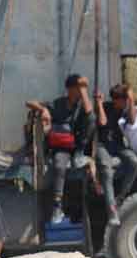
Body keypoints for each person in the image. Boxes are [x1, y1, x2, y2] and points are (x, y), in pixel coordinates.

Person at [26, 74, 96, 224]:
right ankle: (57, 206)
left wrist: (84, 90)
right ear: (70, 89)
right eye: (78, 88)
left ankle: (79, 154)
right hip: (62, 146)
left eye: (82, 88)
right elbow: (29, 102)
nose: (81, 91)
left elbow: (90, 115)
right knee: (59, 166)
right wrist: (43, 110)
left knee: (91, 119)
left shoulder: (82, 105)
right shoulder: (58, 104)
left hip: (77, 145)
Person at [95, 84, 137, 226]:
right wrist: (99, 104)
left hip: (118, 145)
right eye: (124, 99)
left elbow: (132, 121)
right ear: (117, 100)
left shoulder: (125, 111)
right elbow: (102, 122)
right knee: (106, 171)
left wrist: (131, 100)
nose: (126, 102)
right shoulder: (106, 106)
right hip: (103, 145)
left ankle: (120, 197)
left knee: (135, 162)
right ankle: (111, 210)